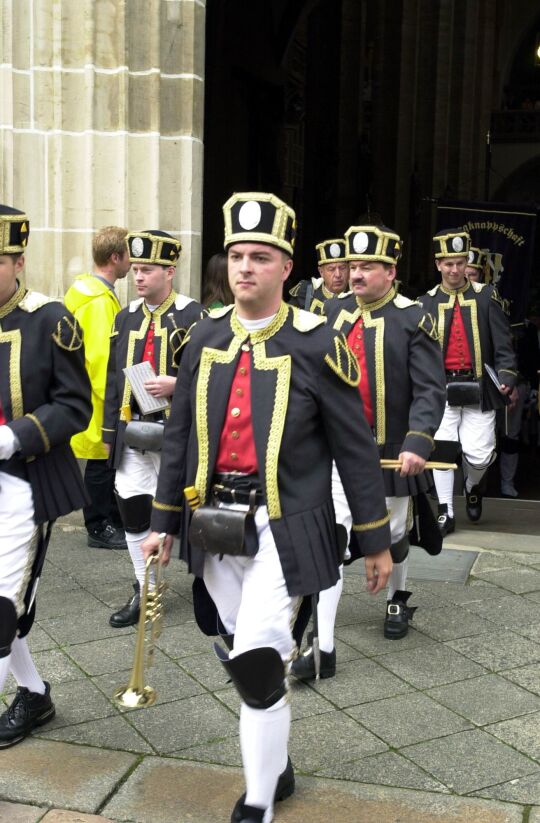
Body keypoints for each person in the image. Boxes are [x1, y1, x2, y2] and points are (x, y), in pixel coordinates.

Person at [142, 192, 392, 823]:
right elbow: (179, 438)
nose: (244, 267)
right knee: (237, 648)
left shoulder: (317, 342)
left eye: (260, 256)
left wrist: (376, 538)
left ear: (286, 267)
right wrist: (161, 522)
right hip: (213, 525)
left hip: (287, 526)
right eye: (235, 255)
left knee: (257, 656)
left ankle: (257, 801)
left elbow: (355, 448)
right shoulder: (203, 337)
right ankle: (274, 761)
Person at [292, 225, 446, 681]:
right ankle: (323, 647)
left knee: (394, 536)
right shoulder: (334, 314)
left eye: (366, 267)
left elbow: (429, 391)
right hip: (337, 454)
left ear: (390, 271)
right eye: (352, 266)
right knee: (333, 545)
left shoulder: (413, 318)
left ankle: (398, 598)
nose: (355, 275)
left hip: (392, 454)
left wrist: (418, 441)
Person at [0, 204, 91, 747]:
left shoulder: (49, 318)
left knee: (3, 606)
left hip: (22, 485)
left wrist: (14, 437)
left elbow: (73, 404)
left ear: (18, 261)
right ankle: (34, 695)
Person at [102, 229, 205, 628]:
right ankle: (144, 589)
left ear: (170, 271)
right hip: (132, 435)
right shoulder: (124, 317)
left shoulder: (195, 317)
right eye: (136, 269)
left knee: (193, 513)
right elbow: (114, 380)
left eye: (147, 270)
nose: (138, 276)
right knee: (132, 510)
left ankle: (210, 587)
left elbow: (214, 380)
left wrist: (178, 385)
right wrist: (111, 434)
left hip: (178, 437)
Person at [419, 229, 517, 535]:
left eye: (459, 263)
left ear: (466, 263)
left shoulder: (487, 296)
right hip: (441, 390)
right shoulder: (425, 302)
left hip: (480, 389)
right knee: (443, 452)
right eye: (448, 264)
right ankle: (445, 511)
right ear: (438, 265)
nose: (454, 269)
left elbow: (503, 344)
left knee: (481, 455)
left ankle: (474, 486)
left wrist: (506, 375)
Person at [64, 226, 131, 550]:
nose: (133, 262)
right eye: (129, 254)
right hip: (97, 398)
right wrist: (113, 401)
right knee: (101, 462)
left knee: (103, 462)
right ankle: (98, 526)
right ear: (116, 257)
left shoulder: (93, 294)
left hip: (90, 394)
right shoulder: (98, 302)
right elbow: (102, 356)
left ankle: (109, 519)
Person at [288, 237, 349, 313]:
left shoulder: (358, 295)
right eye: (331, 269)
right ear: (321, 272)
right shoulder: (306, 291)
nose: (338, 274)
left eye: (342, 268)